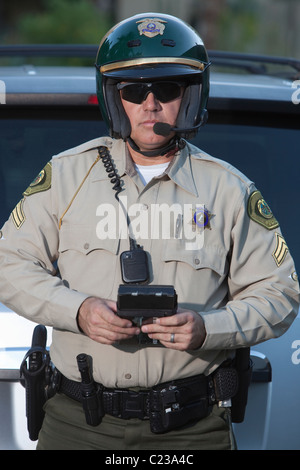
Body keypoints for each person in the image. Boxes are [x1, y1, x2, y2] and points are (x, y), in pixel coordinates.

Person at [0, 13, 299, 451]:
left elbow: (280, 295)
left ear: (191, 95)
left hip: (192, 430)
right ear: (114, 97)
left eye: (168, 88)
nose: (151, 103)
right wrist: (79, 310)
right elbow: (8, 264)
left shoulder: (229, 190)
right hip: (76, 426)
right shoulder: (65, 176)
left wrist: (206, 329)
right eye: (134, 90)